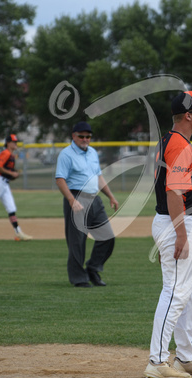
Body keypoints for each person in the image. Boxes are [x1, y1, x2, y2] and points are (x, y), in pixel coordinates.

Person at [144, 91, 192, 378]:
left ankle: (185, 356)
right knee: (174, 292)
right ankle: (157, 361)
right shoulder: (179, 146)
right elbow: (173, 192)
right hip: (178, 223)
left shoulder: (170, 141)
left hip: (182, 221)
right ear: (188, 115)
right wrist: (182, 234)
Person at [55, 121, 119, 288]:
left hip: (94, 199)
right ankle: (78, 278)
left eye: (88, 136)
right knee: (77, 241)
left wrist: (111, 196)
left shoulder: (92, 153)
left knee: (108, 237)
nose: (85, 139)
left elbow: (98, 177)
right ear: (73, 136)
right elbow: (60, 179)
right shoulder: (66, 154)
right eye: (81, 136)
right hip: (76, 198)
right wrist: (71, 200)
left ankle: (92, 268)